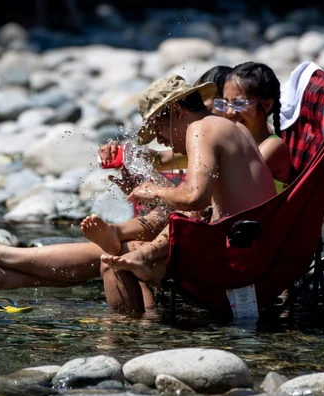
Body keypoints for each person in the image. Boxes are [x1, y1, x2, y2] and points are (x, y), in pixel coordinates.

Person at [89, 74, 277, 313]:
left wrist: (153, 191)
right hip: (261, 249)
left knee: (112, 263)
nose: (160, 140)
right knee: (129, 256)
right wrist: (123, 155)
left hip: (239, 261)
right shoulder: (231, 127)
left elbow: (193, 197)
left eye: (158, 129)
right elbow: (186, 189)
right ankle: (149, 314)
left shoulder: (200, 130)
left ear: (177, 111)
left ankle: (124, 337)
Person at [221, 62, 292, 192]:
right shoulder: (238, 141)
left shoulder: (273, 146)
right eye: (225, 102)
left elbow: (229, 186)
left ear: (266, 105)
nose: (230, 112)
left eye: (239, 103)